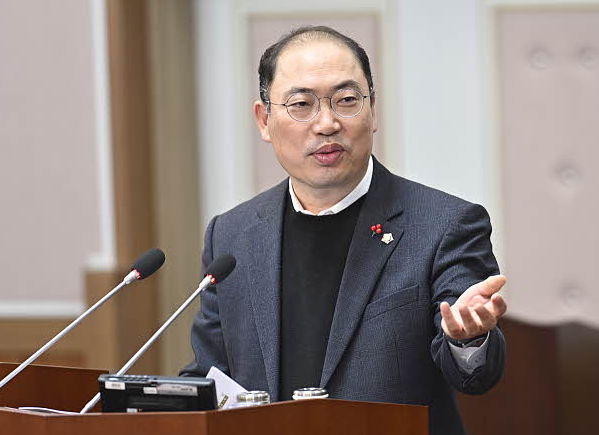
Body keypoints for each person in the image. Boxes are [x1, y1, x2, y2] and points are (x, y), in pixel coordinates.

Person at [181, 26, 508, 435]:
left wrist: (468, 339)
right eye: (301, 104)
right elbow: (210, 375)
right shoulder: (232, 236)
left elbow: (476, 375)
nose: (327, 123)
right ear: (265, 120)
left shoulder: (444, 225)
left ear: (373, 110)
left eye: (347, 101)